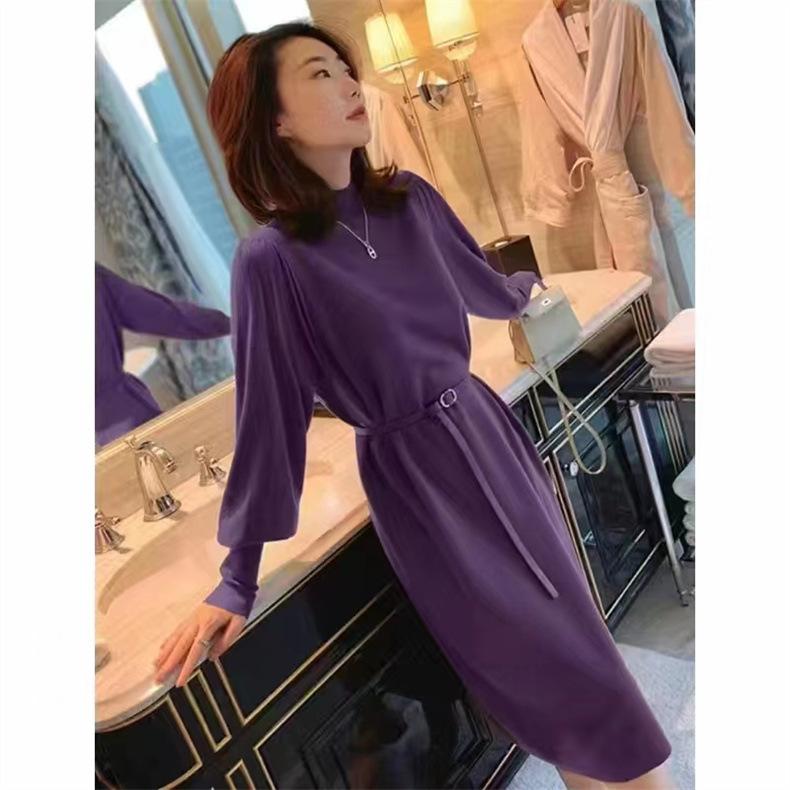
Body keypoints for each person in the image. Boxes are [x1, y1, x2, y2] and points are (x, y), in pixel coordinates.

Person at [153, 22, 676, 789]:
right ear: (275, 119)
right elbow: (269, 423)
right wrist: (237, 576)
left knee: (578, 652)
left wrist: (527, 293)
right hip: (421, 484)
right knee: (558, 674)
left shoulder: (409, 200)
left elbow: (481, 285)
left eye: (344, 68)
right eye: (319, 74)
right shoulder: (270, 260)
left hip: (488, 438)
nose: (349, 84)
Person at [95, 262, 230, 446]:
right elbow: (166, 315)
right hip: (128, 418)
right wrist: (234, 323)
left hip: (122, 424)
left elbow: (163, 315)